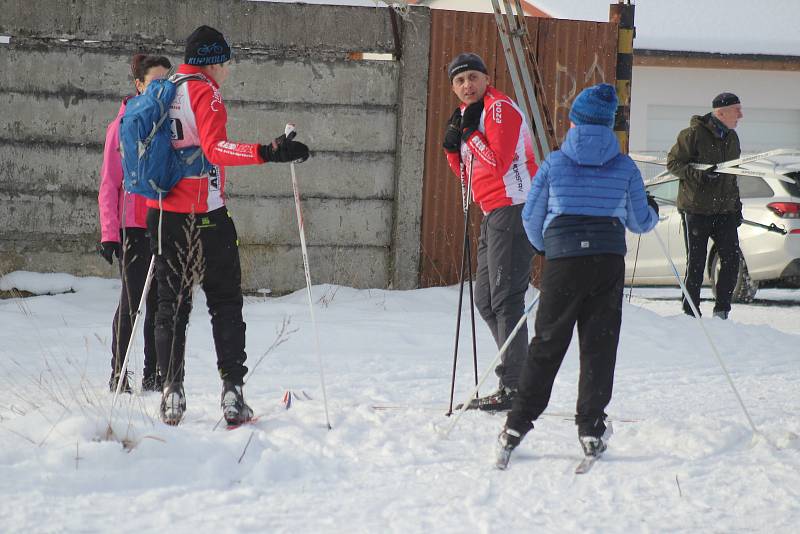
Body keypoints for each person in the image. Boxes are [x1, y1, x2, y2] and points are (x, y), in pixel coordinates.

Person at [149, 25, 309, 426]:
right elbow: (215, 148)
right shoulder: (205, 91)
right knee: (224, 302)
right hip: (206, 214)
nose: (227, 70)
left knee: (172, 305)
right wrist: (267, 153)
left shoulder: (163, 89)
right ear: (213, 61)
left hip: (164, 213)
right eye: (225, 62)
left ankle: (171, 392)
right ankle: (233, 392)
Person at [495, 83, 659, 467]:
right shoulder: (625, 166)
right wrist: (652, 209)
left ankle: (517, 425)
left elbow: (531, 219)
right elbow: (639, 222)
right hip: (606, 261)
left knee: (548, 342)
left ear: (573, 121)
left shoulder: (554, 163)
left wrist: (547, 248)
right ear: (608, 125)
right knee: (599, 345)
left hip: (563, 262)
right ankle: (590, 427)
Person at [442, 53, 537, 411]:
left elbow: (496, 161)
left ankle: (515, 386)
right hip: (492, 211)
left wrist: (470, 133)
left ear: (485, 78)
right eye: (459, 81)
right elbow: (469, 177)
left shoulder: (498, 109)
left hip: (514, 206)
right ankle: (520, 374)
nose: (467, 85)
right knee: (485, 300)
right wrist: (453, 148)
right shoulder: (472, 114)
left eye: (472, 77)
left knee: (505, 298)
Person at [98, 54, 171, 393]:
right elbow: (109, 184)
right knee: (132, 301)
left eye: (166, 83)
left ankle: (154, 374)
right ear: (139, 85)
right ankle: (119, 374)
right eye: (155, 83)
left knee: (160, 303)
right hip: (133, 226)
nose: (162, 90)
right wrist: (110, 233)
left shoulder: (171, 123)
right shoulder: (122, 126)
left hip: (164, 222)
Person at [667, 92, 744, 320]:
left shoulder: (733, 138)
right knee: (696, 264)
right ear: (720, 113)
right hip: (696, 210)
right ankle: (691, 312)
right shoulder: (692, 135)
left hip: (725, 211)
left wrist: (736, 206)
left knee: (731, 259)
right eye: (736, 110)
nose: (741, 115)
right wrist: (699, 175)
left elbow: (732, 176)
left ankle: (722, 311)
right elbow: (673, 163)